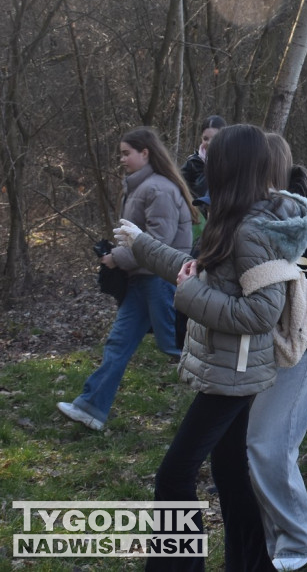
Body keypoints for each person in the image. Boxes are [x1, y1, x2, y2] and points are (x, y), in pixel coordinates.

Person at [121, 123, 307, 570]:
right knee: (230, 475)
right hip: (228, 369)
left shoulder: (251, 232)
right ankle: (251, 563)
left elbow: (260, 315)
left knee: (175, 472)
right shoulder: (231, 220)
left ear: (232, 167)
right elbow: (194, 270)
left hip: (234, 375)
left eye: (214, 157)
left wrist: (189, 296)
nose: (204, 163)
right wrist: (142, 244)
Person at [57, 127, 196, 432]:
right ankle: (90, 408)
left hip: (160, 279)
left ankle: (236, 395)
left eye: (125, 153)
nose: (121, 159)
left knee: (177, 345)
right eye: (121, 153)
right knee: (119, 343)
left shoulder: (157, 189)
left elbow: (159, 241)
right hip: (143, 279)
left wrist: (116, 258)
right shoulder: (139, 187)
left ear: (145, 153)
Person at [247, 134, 307, 571]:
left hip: (299, 347)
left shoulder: (302, 220)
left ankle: (303, 539)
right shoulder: (248, 218)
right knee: (259, 448)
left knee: (270, 447)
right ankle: (280, 539)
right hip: (261, 349)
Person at [180, 115, 226, 200]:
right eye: (205, 139)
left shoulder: (233, 162)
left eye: (215, 138)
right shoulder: (192, 163)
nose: (209, 143)